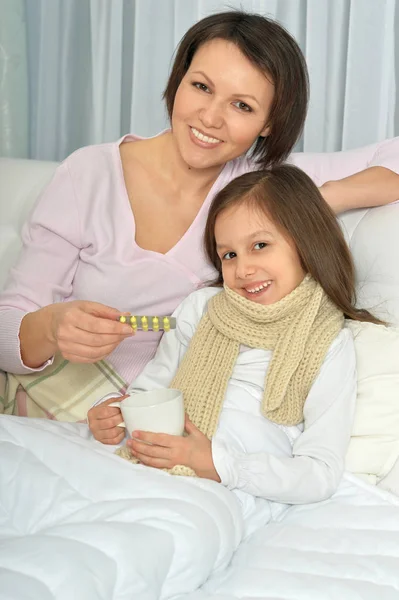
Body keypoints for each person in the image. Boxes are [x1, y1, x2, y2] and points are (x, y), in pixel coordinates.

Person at [0, 11, 398, 417]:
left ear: (269, 123)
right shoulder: (87, 175)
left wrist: (319, 200)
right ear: (178, 80)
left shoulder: (260, 187)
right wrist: (50, 328)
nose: (210, 117)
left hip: (150, 421)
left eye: (242, 105)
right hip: (46, 405)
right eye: (201, 86)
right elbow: (6, 330)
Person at [88, 165, 382, 524]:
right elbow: (149, 392)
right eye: (229, 255)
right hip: (151, 463)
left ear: (307, 243)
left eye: (260, 245)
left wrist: (217, 464)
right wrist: (113, 412)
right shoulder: (202, 308)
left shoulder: (328, 342)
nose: (243, 269)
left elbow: (319, 473)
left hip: (229, 489)